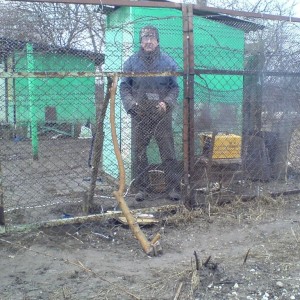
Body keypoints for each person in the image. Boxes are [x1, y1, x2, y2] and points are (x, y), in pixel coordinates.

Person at [120, 25, 181, 202]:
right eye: (145, 38)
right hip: (139, 113)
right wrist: (131, 104)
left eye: (151, 38)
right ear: (140, 42)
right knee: (139, 152)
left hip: (161, 113)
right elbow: (124, 87)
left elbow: (174, 88)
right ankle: (142, 189)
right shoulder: (131, 63)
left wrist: (167, 103)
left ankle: (173, 188)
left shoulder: (168, 62)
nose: (148, 41)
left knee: (168, 151)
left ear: (157, 41)